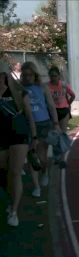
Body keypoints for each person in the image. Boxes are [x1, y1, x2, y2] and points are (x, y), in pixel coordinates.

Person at [0, 60, 38, 226]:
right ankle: (10, 200)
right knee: (3, 172)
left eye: (2, 75)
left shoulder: (18, 91)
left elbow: (29, 115)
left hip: (19, 134)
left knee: (15, 172)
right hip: (1, 136)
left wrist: (34, 137)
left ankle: (14, 212)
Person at [21, 62, 61, 197]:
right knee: (32, 155)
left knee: (42, 157)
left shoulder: (42, 87)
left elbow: (51, 106)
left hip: (43, 124)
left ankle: (45, 171)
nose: (27, 78)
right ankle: (36, 186)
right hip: (26, 125)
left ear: (35, 75)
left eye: (30, 75)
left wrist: (56, 123)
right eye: (24, 75)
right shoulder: (20, 88)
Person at [47, 66, 75, 168]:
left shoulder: (63, 85)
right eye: (51, 76)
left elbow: (72, 95)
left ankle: (62, 159)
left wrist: (68, 103)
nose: (53, 78)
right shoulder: (47, 86)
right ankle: (56, 156)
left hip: (63, 110)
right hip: (52, 112)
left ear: (59, 76)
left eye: (55, 76)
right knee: (54, 135)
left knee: (62, 135)